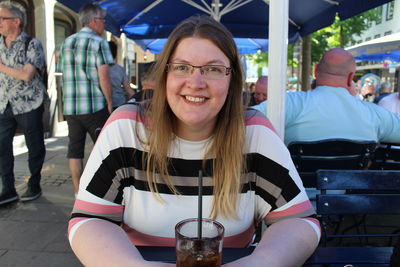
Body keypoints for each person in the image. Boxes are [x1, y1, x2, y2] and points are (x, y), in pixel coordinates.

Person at [68, 15, 320, 266]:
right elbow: (90, 219)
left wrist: (258, 263)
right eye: (182, 67)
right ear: (165, 75)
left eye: (213, 69)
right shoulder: (126, 127)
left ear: (232, 80)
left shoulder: (254, 133)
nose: (196, 82)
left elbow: (298, 220)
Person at [253, 48, 400, 146]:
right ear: (351, 78)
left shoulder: (291, 103)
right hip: (352, 192)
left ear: (316, 71)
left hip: (293, 191)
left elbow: (239, 122)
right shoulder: (374, 114)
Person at [56, 3, 114, 195]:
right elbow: (104, 76)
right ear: (93, 20)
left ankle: (77, 193)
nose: (104, 24)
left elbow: (63, 71)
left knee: (75, 151)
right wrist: (110, 102)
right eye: (102, 20)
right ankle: (101, 193)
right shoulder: (99, 42)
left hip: (71, 107)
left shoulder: (67, 42)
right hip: (93, 105)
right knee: (103, 149)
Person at [0, 1, 46, 205]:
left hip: (29, 102)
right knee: (2, 148)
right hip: (3, 103)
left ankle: (34, 184)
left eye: (2, 18)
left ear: (16, 21)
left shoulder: (32, 44)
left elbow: (27, 75)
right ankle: (8, 189)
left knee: (34, 145)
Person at [108, 41, 135, 109]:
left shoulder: (98, 69)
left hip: (104, 104)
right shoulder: (120, 69)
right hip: (119, 103)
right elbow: (128, 89)